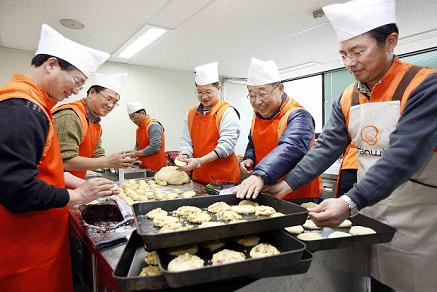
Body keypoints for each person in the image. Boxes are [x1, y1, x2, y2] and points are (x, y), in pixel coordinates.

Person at [263, 0, 437, 290]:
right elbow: (326, 147)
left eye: (358, 52)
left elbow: (402, 156)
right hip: (371, 211)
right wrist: (287, 185)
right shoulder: (347, 96)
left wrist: (348, 201)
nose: (349, 63)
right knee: (376, 281)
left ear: (390, 41)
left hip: (418, 216)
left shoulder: (424, 86)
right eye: (343, 54)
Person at [0, 24, 117, 291]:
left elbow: (45, 168)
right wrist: (77, 196)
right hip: (24, 250)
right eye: (77, 82)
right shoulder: (22, 109)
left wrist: (82, 186)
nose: (76, 90)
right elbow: (17, 189)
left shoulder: (37, 105)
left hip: (41, 239)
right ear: (52, 64)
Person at [236, 58, 321, 200]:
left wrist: (260, 175)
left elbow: (291, 147)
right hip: (267, 188)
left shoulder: (298, 115)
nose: (257, 101)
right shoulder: (257, 116)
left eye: (263, 94)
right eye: (252, 95)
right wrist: (249, 157)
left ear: (280, 89)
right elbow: (253, 142)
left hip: (298, 194)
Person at [53, 72, 135, 179]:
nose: (110, 105)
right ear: (92, 93)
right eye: (108, 99)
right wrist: (108, 161)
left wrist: (118, 160)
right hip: (55, 187)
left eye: (115, 102)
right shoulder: (71, 115)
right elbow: (65, 161)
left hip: (75, 184)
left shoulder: (95, 123)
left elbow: (97, 153)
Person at [177, 62, 241, 184]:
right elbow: (186, 141)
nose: (204, 96)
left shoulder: (227, 112)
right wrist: (185, 154)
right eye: (199, 92)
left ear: (219, 88)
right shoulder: (191, 113)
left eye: (208, 92)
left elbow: (226, 147)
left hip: (224, 180)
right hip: (199, 178)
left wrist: (199, 161)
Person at [126, 101, 166, 171]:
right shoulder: (139, 129)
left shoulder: (153, 125)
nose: (133, 120)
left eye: (133, 116)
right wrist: (132, 156)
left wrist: (135, 153)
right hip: (144, 167)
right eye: (130, 118)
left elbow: (154, 147)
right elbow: (138, 147)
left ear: (142, 113)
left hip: (156, 168)